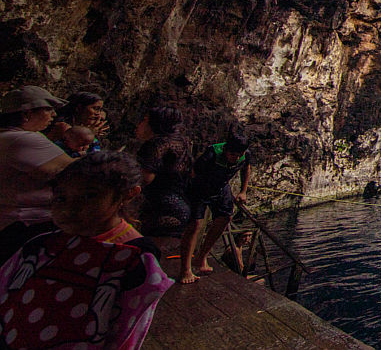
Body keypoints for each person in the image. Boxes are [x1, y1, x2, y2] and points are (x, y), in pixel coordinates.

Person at [0, 150, 172, 349]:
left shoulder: (135, 258)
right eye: (61, 197)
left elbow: (127, 329)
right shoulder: (41, 244)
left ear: (128, 194)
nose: (69, 209)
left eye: (90, 196)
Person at [0, 86, 74, 261]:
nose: (54, 115)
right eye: (48, 109)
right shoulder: (24, 139)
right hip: (28, 228)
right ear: (26, 114)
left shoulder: (6, 137)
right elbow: (76, 171)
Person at [179, 132, 251, 284]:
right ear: (225, 149)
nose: (236, 158)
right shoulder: (211, 154)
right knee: (196, 225)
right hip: (200, 187)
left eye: (239, 155)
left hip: (221, 186)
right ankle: (186, 269)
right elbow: (193, 174)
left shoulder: (245, 155)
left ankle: (201, 257)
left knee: (225, 218)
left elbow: (246, 168)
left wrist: (243, 191)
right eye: (232, 154)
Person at [136, 105, 192, 238]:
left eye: (144, 120)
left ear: (154, 124)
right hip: (181, 206)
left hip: (160, 209)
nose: (140, 124)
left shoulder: (155, 144)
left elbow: (145, 178)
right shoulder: (180, 141)